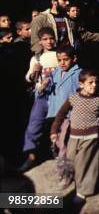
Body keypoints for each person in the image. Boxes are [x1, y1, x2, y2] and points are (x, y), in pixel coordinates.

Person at [51, 70, 99, 204]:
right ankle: (71, 178)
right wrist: (54, 130)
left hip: (91, 137)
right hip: (74, 137)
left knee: (85, 164)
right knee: (70, 160)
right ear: (81, 84)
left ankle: (83, 191)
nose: (94, 85)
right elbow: (60, 114)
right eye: (90, 82)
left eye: (96, 82)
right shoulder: (73, 98)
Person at [19, 27, 58, 172]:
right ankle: (31, 156)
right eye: (45, 39)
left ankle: (59, 152)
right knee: (35, 123)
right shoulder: (36, 58)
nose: (49, 42)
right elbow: (28, 77)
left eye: (51, 38)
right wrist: (34, 72)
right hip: (41, 95)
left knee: (57, 123)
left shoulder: (60, 54)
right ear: (40, 41)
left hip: (58, 95)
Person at [31, 0, 99, 54]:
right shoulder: (40, 19)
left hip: (68, 57)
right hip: (50, 59)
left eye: (67, 0)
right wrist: (40, 59)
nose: (67, 3)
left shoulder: (68, 19)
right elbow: (35, 43)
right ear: (54, 2)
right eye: (64, 0)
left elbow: (83, 35)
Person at [45, 46, 82, 185]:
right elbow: (51, 91)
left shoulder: (78, 73)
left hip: (69, 115)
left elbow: (81, 95)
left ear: (74, 59)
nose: (62, 63)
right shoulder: (56, 72)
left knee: (64, 145)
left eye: (65, 60)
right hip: (56, 114)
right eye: (59, 60)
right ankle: (68, 167)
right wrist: (45, 85)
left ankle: (65, 174)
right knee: (59, 143)